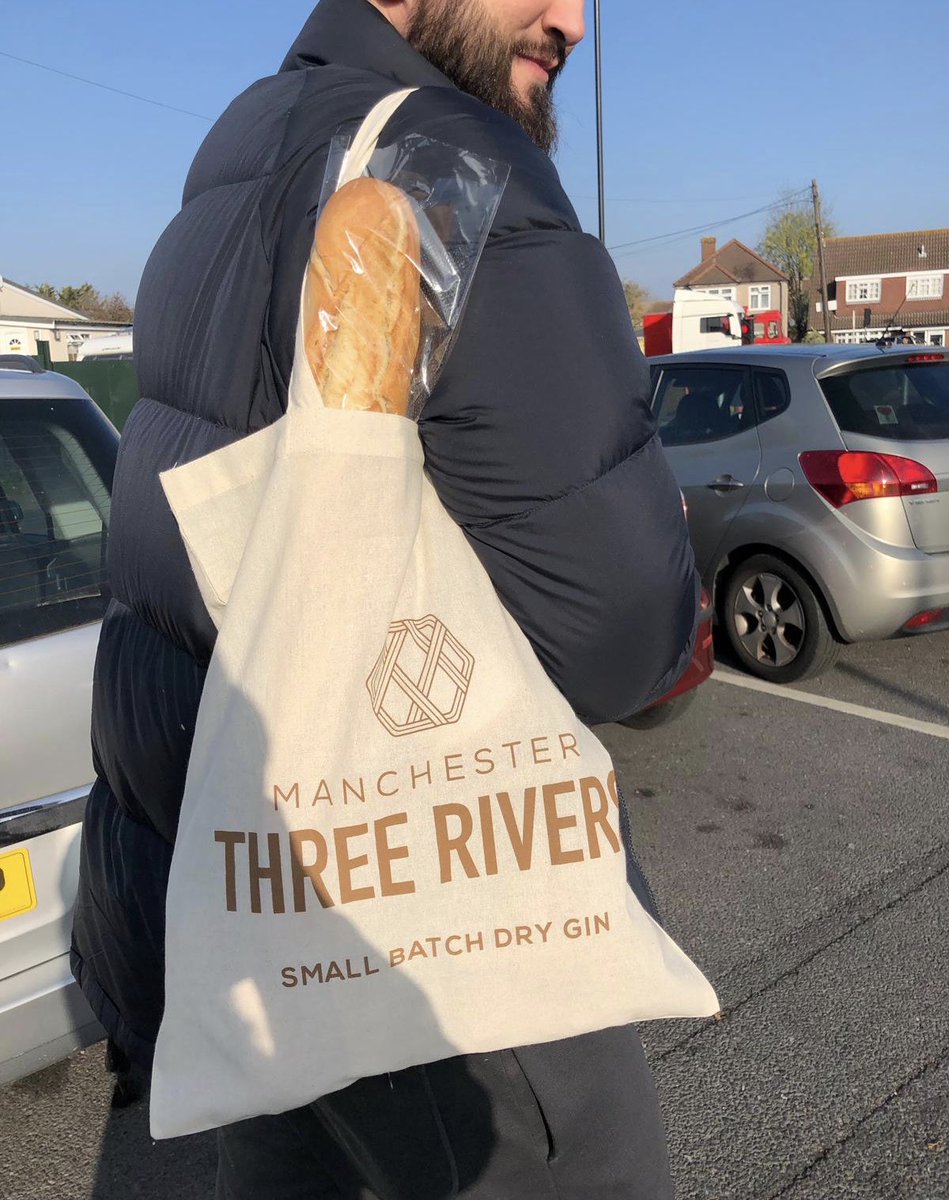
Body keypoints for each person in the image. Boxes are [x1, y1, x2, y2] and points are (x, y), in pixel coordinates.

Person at [71, 1, 701, 1196]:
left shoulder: (235, 158)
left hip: (248, 923)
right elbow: (619, 635)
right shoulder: (458, 165)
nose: (573, 19)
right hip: (446, 965)